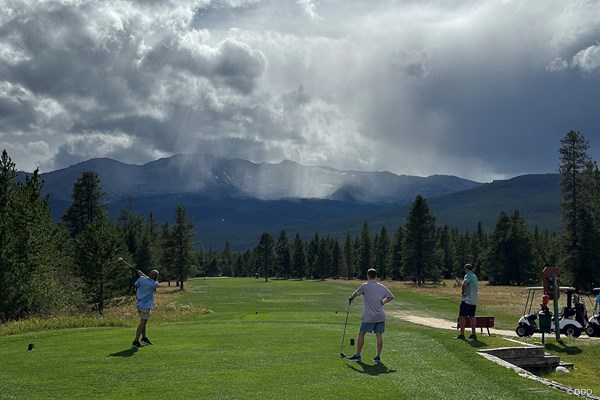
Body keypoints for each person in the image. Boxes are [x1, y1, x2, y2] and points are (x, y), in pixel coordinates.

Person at [347, 268, 394, 364]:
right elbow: (390, 296)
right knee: (379, 335)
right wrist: (383, 302)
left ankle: (358, 355)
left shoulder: (365, 286)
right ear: (375, 276)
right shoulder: (381, 287)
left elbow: (355, 294)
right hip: (380, 315)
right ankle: (377, 357)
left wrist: (351, 298)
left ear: (368, 276)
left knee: (361, 333)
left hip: (369, 316)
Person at [132, 269, 160, 348]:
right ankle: (136, 341)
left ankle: (144, 338)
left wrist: (141, 275)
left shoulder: (141, 279)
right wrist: (142, 274)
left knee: (144, 322)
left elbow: (136, 285)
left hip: (139, 304)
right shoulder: (154, 284)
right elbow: (151, 281)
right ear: (156, 277)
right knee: (142, 323)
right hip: (146, 306)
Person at [456, 263, 479, 340]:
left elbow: (465, 283)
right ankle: (473, 334)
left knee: (462, 316)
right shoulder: (474, 276)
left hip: (467, 299)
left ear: (466, 269)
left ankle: (462, 334)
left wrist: (463, 291)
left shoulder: (467, 275)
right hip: (474, 300)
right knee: (472, 316)